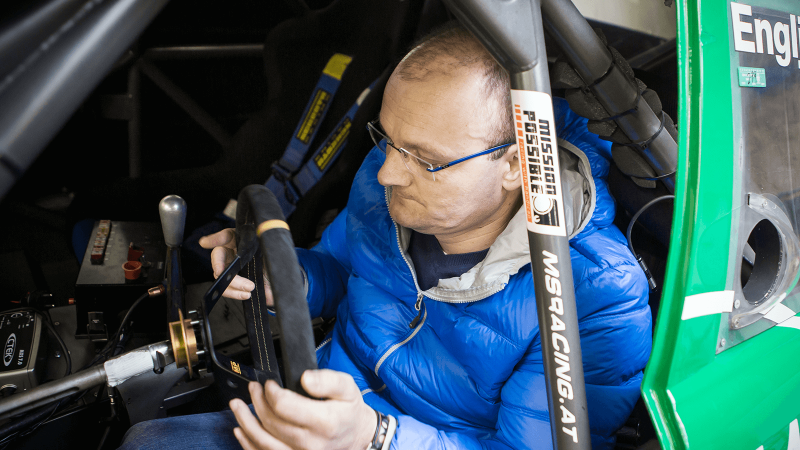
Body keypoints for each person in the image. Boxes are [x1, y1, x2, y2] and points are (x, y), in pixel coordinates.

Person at [120, 24, 651, 450]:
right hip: (317, 407)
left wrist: (372, 437)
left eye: (425, 159)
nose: (386, 174)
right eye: (389, 139)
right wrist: (283, 278)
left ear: (515, 165)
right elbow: (338, 270)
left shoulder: (591, 295)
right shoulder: (390, 184)